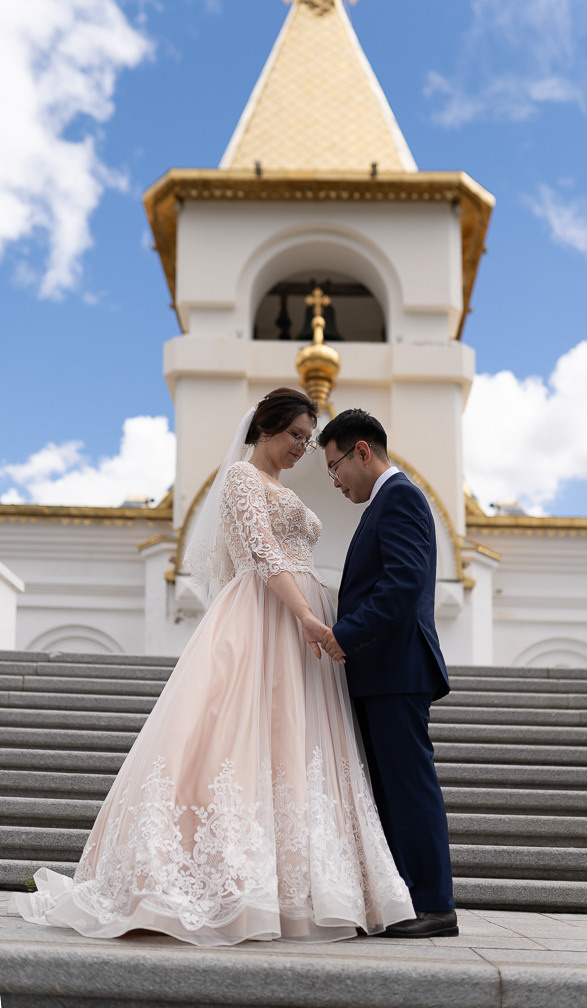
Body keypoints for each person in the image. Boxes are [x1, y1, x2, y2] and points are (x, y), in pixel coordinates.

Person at [16, 388, 414, 946]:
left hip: (303, 624)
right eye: (297, 435)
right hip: (270, 616)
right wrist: (305, 616)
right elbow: (261, 553)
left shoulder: (277, 486)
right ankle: (226, 880)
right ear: (266, 428)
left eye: (309, 438)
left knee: (299, 744)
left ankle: (304, 884)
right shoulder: (242, 479)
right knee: (241, 739)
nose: (303, 447)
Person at [317, 409, 458, 939]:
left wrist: (343, 634)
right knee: (390, 790)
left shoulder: (399, 498)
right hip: (380, 671)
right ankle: (406, 899)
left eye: (334, 469)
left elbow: (400, 586)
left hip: (397, 668)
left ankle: (434, 904)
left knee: (409, 786)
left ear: (361, 451)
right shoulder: (381, 505)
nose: (333, 482)